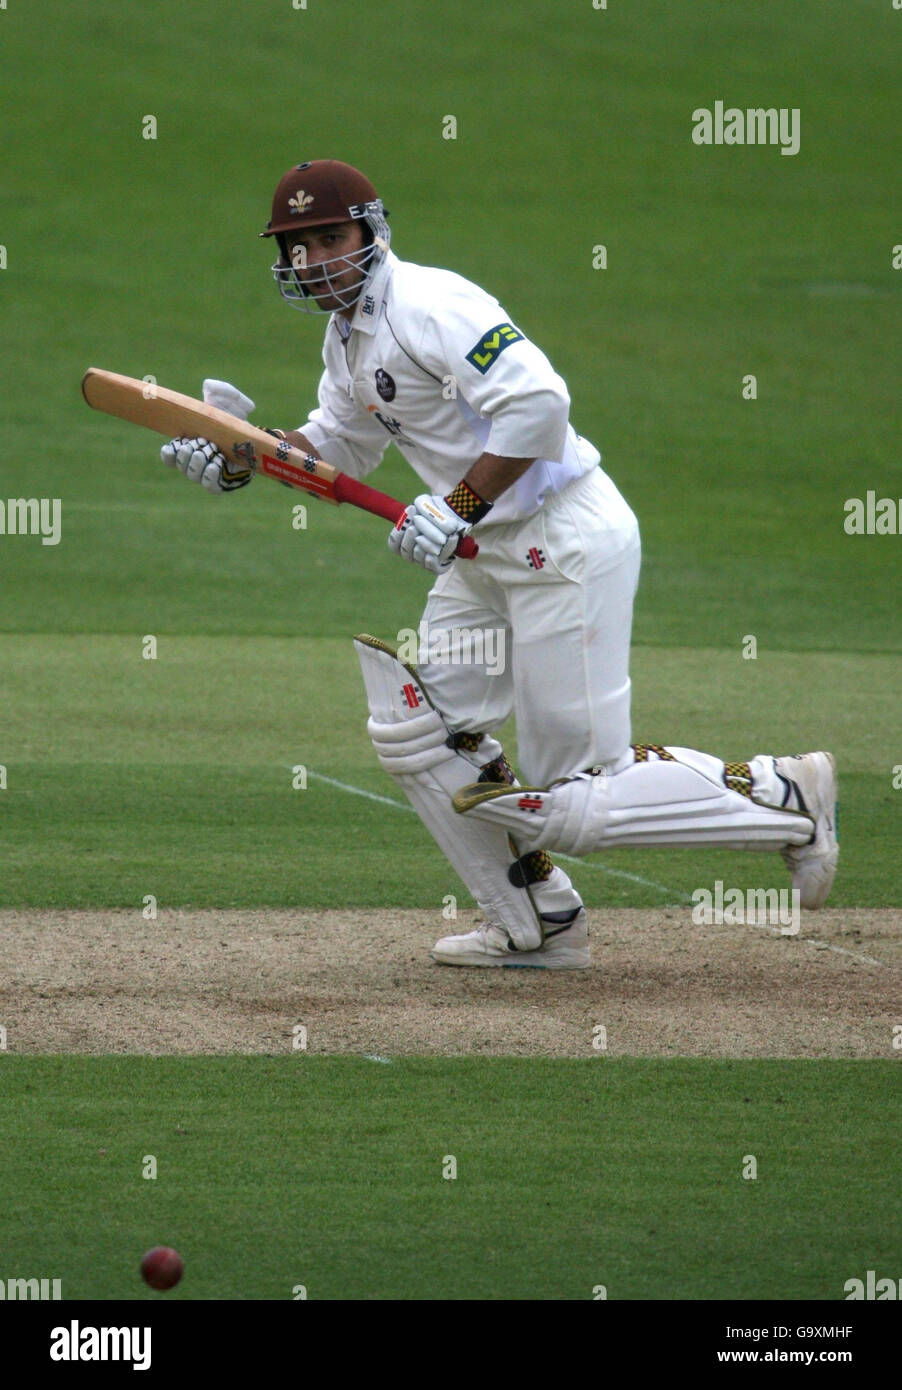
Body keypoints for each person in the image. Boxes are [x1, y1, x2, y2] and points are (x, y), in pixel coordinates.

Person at [161, 159, 838, 970]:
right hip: (483, 557)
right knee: (420, 732)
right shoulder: (347, 338)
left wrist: (456, 506)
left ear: (372, 235)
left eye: (330, 239)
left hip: (563, 540)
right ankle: (536, 923)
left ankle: (783, 796)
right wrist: (249, 454)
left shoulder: (430, 305)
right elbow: (340, 443)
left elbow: (540, 403)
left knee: (570, 798)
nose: (315, 261)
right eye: (298, 247)